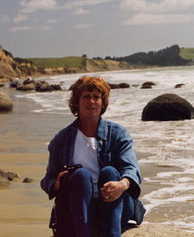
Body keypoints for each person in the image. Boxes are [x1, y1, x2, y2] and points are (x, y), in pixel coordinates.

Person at [40, 76, 145, 237]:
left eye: (97, 97)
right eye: (86, 96)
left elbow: (131, 168)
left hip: (115, 204)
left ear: (103, 102)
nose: (91, 101)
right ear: (77, 101)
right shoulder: (62, 139)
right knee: (81, 175)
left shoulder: (118, 133)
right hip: (78, 207)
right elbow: (48, 179)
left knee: (109, 172)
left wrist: (122, 185)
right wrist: (56, 185)